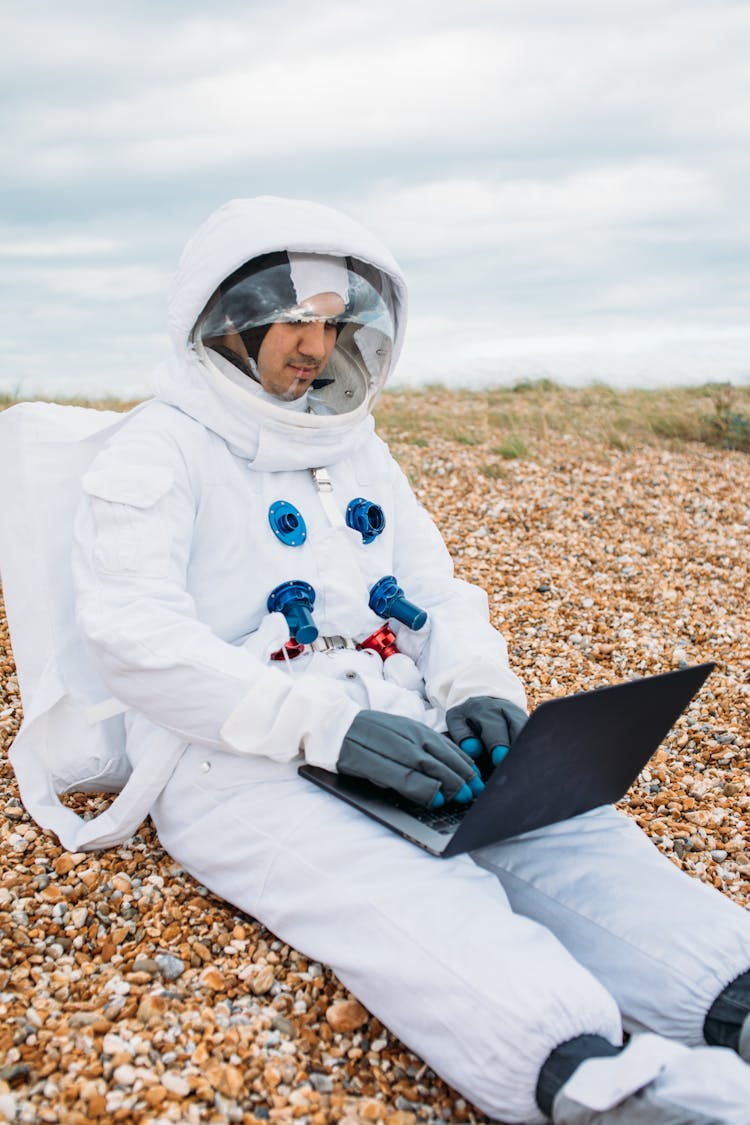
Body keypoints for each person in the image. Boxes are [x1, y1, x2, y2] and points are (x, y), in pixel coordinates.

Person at [9, 196, 750, 1123]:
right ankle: (601, 1083)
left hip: (398, 713)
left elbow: (436, 591)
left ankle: (733, 997)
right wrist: (329, 728)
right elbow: (134, 636)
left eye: (333, 322)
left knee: (572, 836)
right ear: (226, 319)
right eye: (294, 319)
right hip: (232, 753)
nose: (316, 345)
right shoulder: (162, 448)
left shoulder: (353, 443)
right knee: (405, 901)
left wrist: (477, 688)